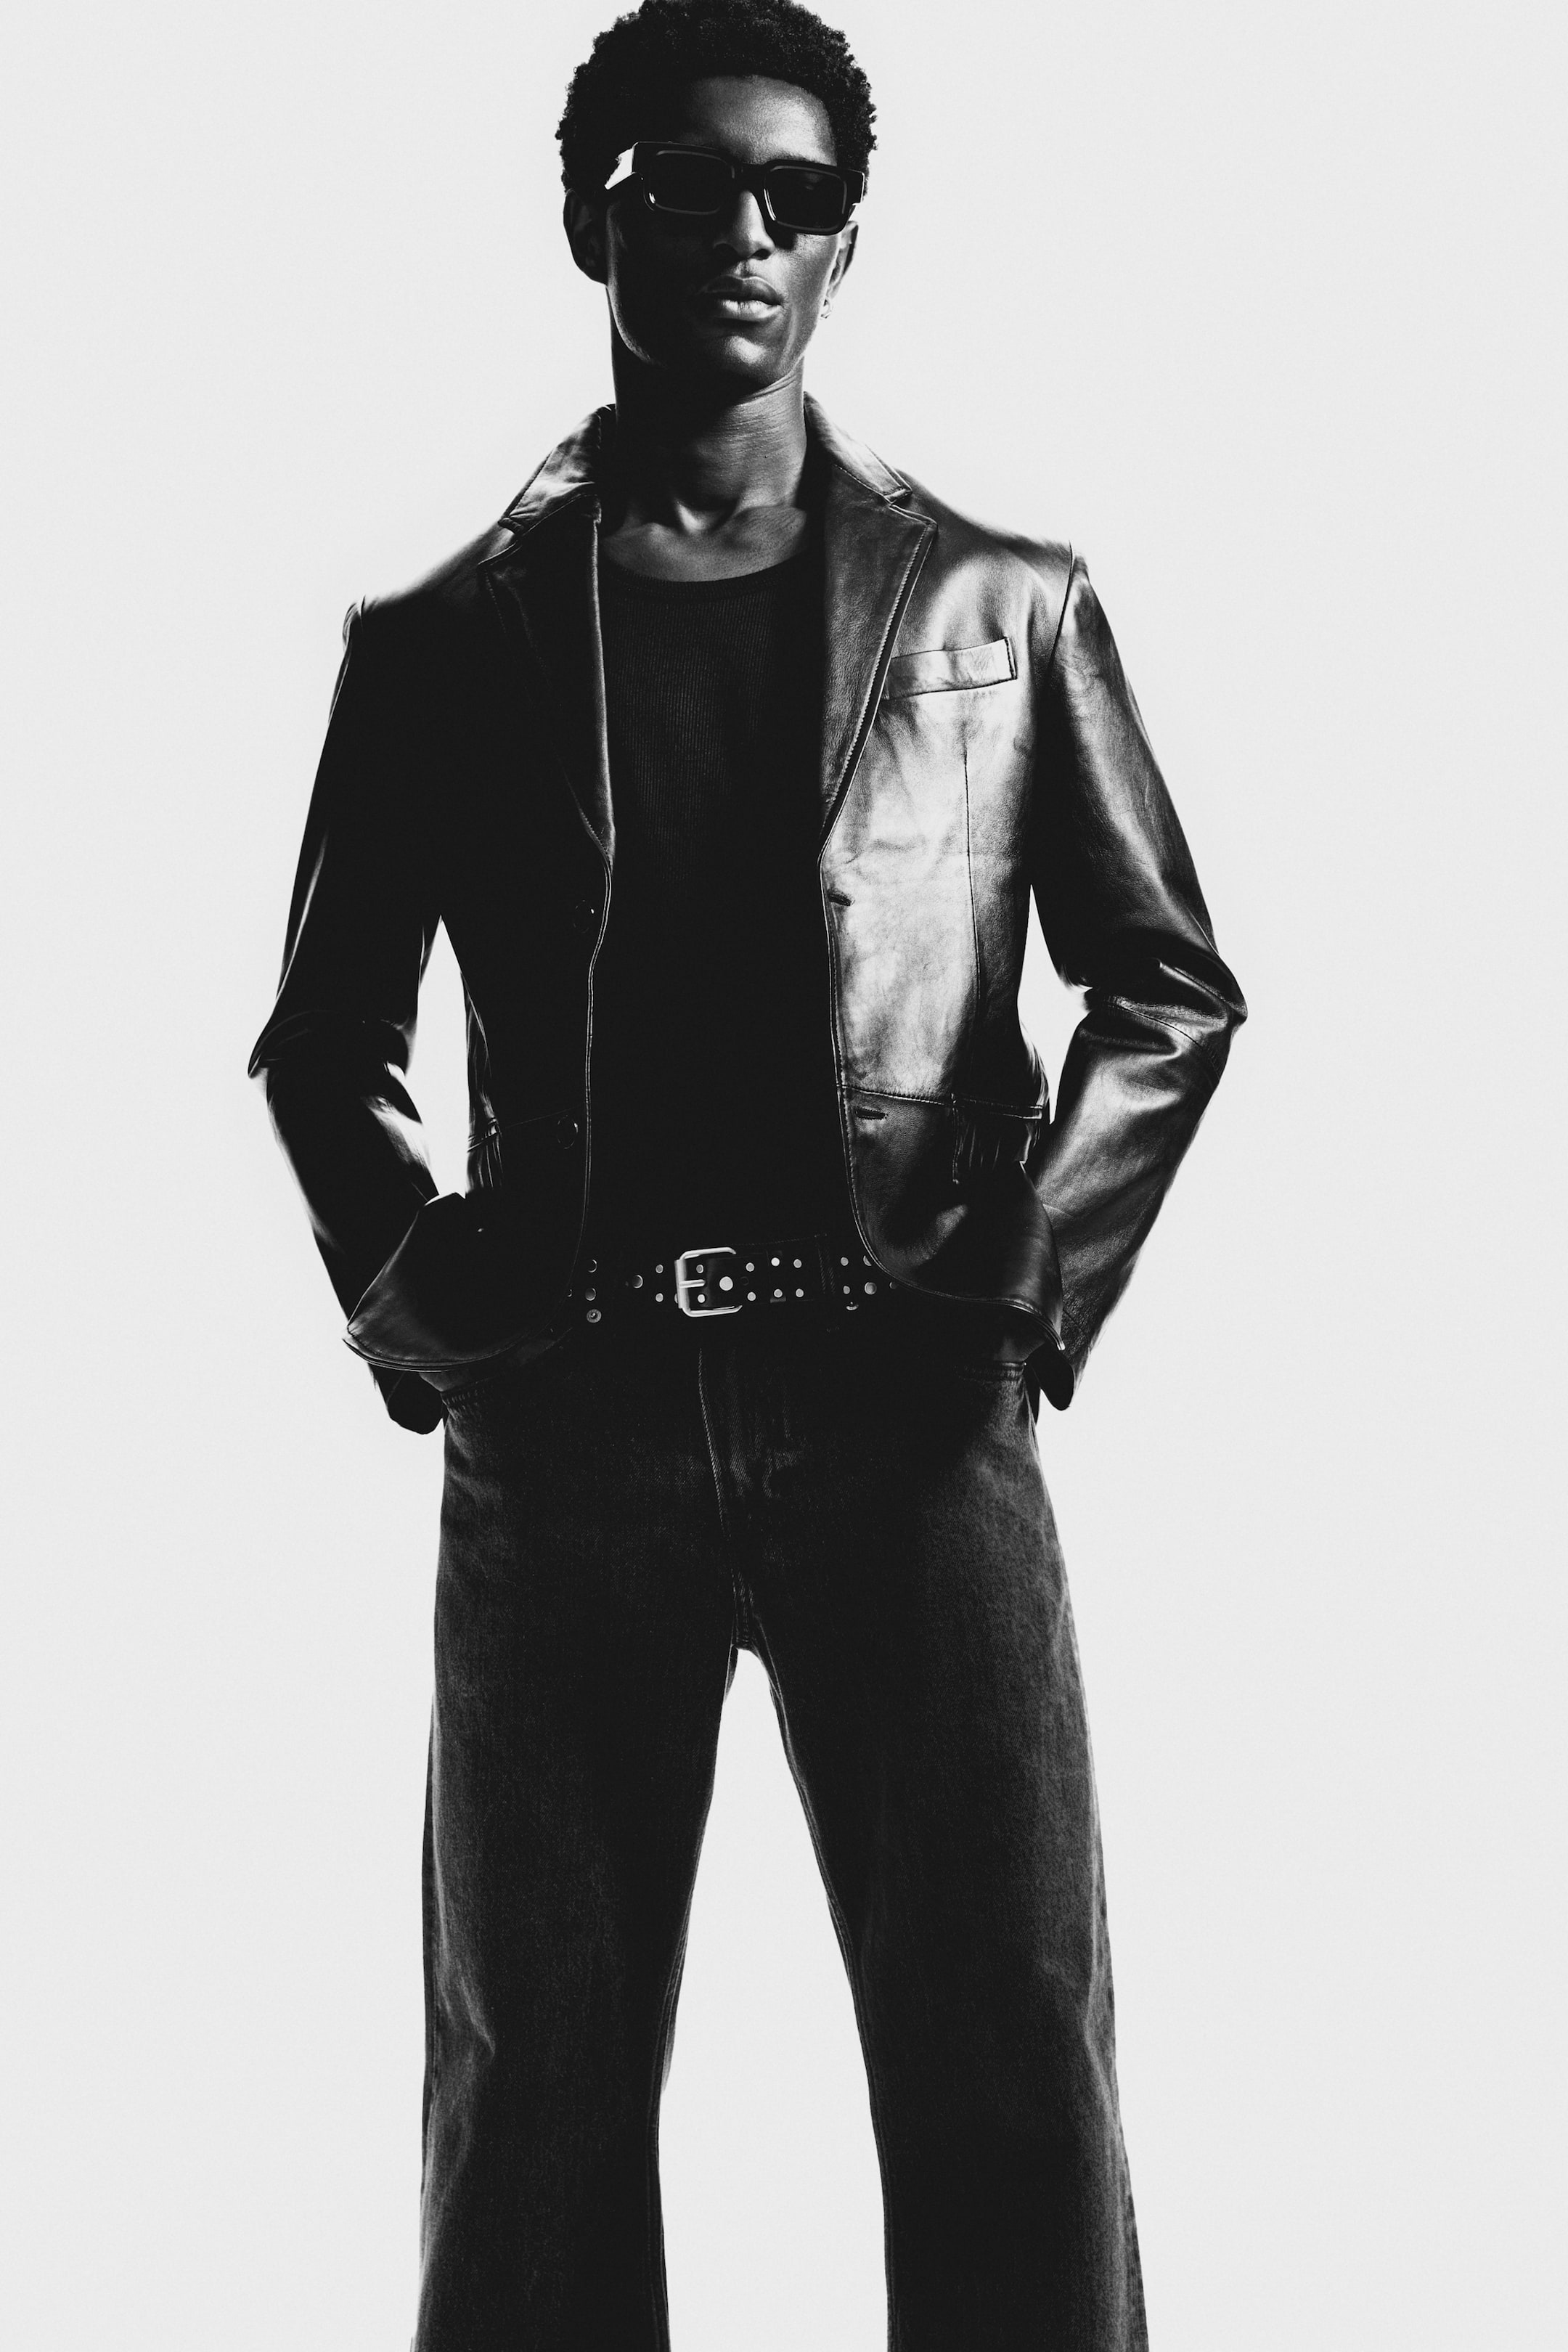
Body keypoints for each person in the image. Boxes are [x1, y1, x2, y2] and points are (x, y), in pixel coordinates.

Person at [248, 2, 1245, 2343]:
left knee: (1009, 2059)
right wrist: (443, 1321)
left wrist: (1024, 1288)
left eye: (796, 195)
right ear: (589, 216)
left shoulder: (1002, 606)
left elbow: (1167, 983)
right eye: (688, 184)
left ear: (845, 244)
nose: (743, 233)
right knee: (535, 2082)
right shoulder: (444, 643)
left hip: (912, 1416)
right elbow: (322, 1044)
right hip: (571, 1428)